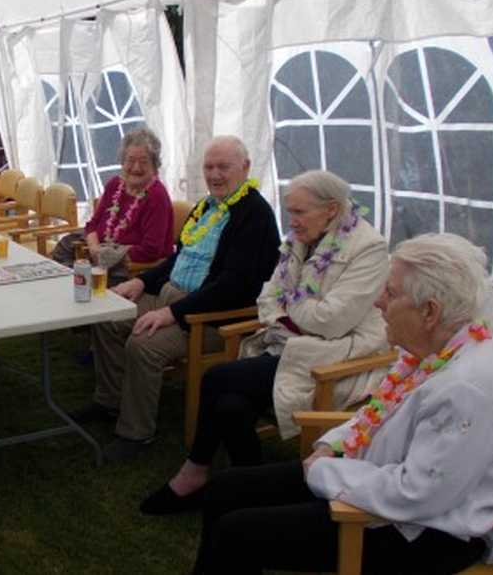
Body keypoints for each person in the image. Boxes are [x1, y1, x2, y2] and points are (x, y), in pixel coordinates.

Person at [189, 233, 493, 575]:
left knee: (237, 533)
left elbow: (417, 495)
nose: (378, 301)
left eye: (391, 293)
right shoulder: (434, 351)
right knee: (223, 489)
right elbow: (375, 414)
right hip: (378, 482)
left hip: (423, 531)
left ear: (429, 311)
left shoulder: (465, 388)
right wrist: (331, 446)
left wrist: (324, 471)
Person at [141, 169, 389, 513]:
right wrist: (290, 312)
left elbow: (333, 322)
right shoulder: (300, 237)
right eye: (290, 212)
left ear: (331, 210)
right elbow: (267, 298)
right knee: (231, 405)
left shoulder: (368, 248)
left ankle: (193, 471)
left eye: (299, 212)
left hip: (334, 357)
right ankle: (251, 491)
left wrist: (290, 309)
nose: (293, 221)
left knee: (217, 378)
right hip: (284, 342)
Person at [73, 135, 280, 461]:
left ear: (246, 167)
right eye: (209, 167)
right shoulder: (207, 206)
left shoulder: (254, 215)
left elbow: (231, 287)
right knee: (109, 315)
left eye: (223, 167)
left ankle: (135, 433)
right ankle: (109, 401)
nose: (214, 174)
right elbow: (177, 259)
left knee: (143, 343)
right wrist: (141, 283)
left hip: (212, 317)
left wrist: (172, 313)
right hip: (174, 299)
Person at [52, 127, 173, 285]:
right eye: (130, 160)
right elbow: (93, 225)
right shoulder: (115, 184)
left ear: (155, 165)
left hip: (131, 267)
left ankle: (82, 287)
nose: (136, 168)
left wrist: (111, 256)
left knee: (103, 278)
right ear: (122, 161)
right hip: (101, 253)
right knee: (64, 246)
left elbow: (152, 250)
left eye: (144, 162)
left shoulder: (157, 196)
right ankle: (75, 285)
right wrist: (95, 250)